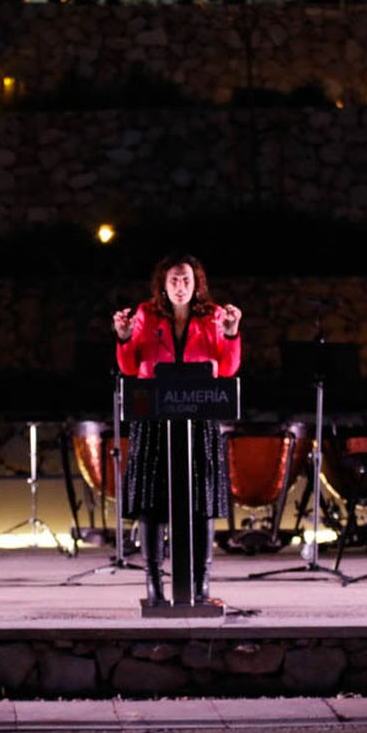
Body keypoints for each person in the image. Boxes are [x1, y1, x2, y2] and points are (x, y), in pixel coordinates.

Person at [112, 254, 243, 606]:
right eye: (174, 280)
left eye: (186, 280)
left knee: (201, 500)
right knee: (152, 501)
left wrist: (231, 333)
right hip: (154, 420)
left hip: (199, 419)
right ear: (163, 284)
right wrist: (123, 338)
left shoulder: (214, 315)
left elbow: (228, 369)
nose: (181, 287)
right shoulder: (146, 315)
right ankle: (154, 586)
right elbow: (129, 365)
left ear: (196, 282)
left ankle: (201, 587)